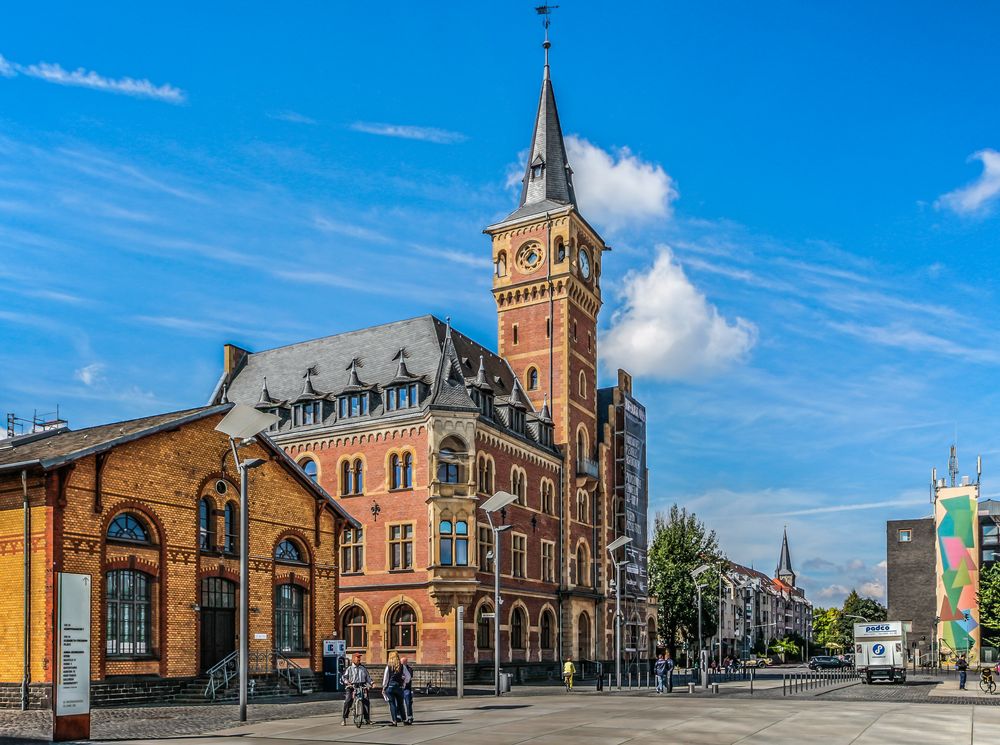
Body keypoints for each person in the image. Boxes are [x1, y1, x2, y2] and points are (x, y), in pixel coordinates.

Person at [341, 653, 372, 726]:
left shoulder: (363, 668)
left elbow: (368, 677)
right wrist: (347, 683)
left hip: (361, 686)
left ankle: (367, 719)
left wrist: (371, 683)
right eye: (357, 657)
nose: (359, 659)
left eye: (359, 657)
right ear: (353, 659)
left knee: (366, 701)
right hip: (352, 686)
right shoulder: (349, 668)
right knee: (348, 700)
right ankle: (344, 718)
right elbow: (344, 677)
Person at [382, 650, 410, 726]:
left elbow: (386, 678)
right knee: (401, 703)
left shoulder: (388, 667)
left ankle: (394, 721)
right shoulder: (402, 666)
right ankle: (404, 720)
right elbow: (408, 677)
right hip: (399, 687)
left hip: (390, 687)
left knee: (392, 704)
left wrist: (384, 687)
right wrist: (403, 683)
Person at [400, 655, 414, 725]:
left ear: (406, 662)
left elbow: (409, 677)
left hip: (407, 689)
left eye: (402, 662)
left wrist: (403, 677)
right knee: (398, 703)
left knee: (408, 703)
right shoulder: (398, 668)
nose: (401, 663)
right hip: (400, 688)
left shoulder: (409, 669)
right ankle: (399, 716)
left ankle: (410, 717)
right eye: (401, 662)